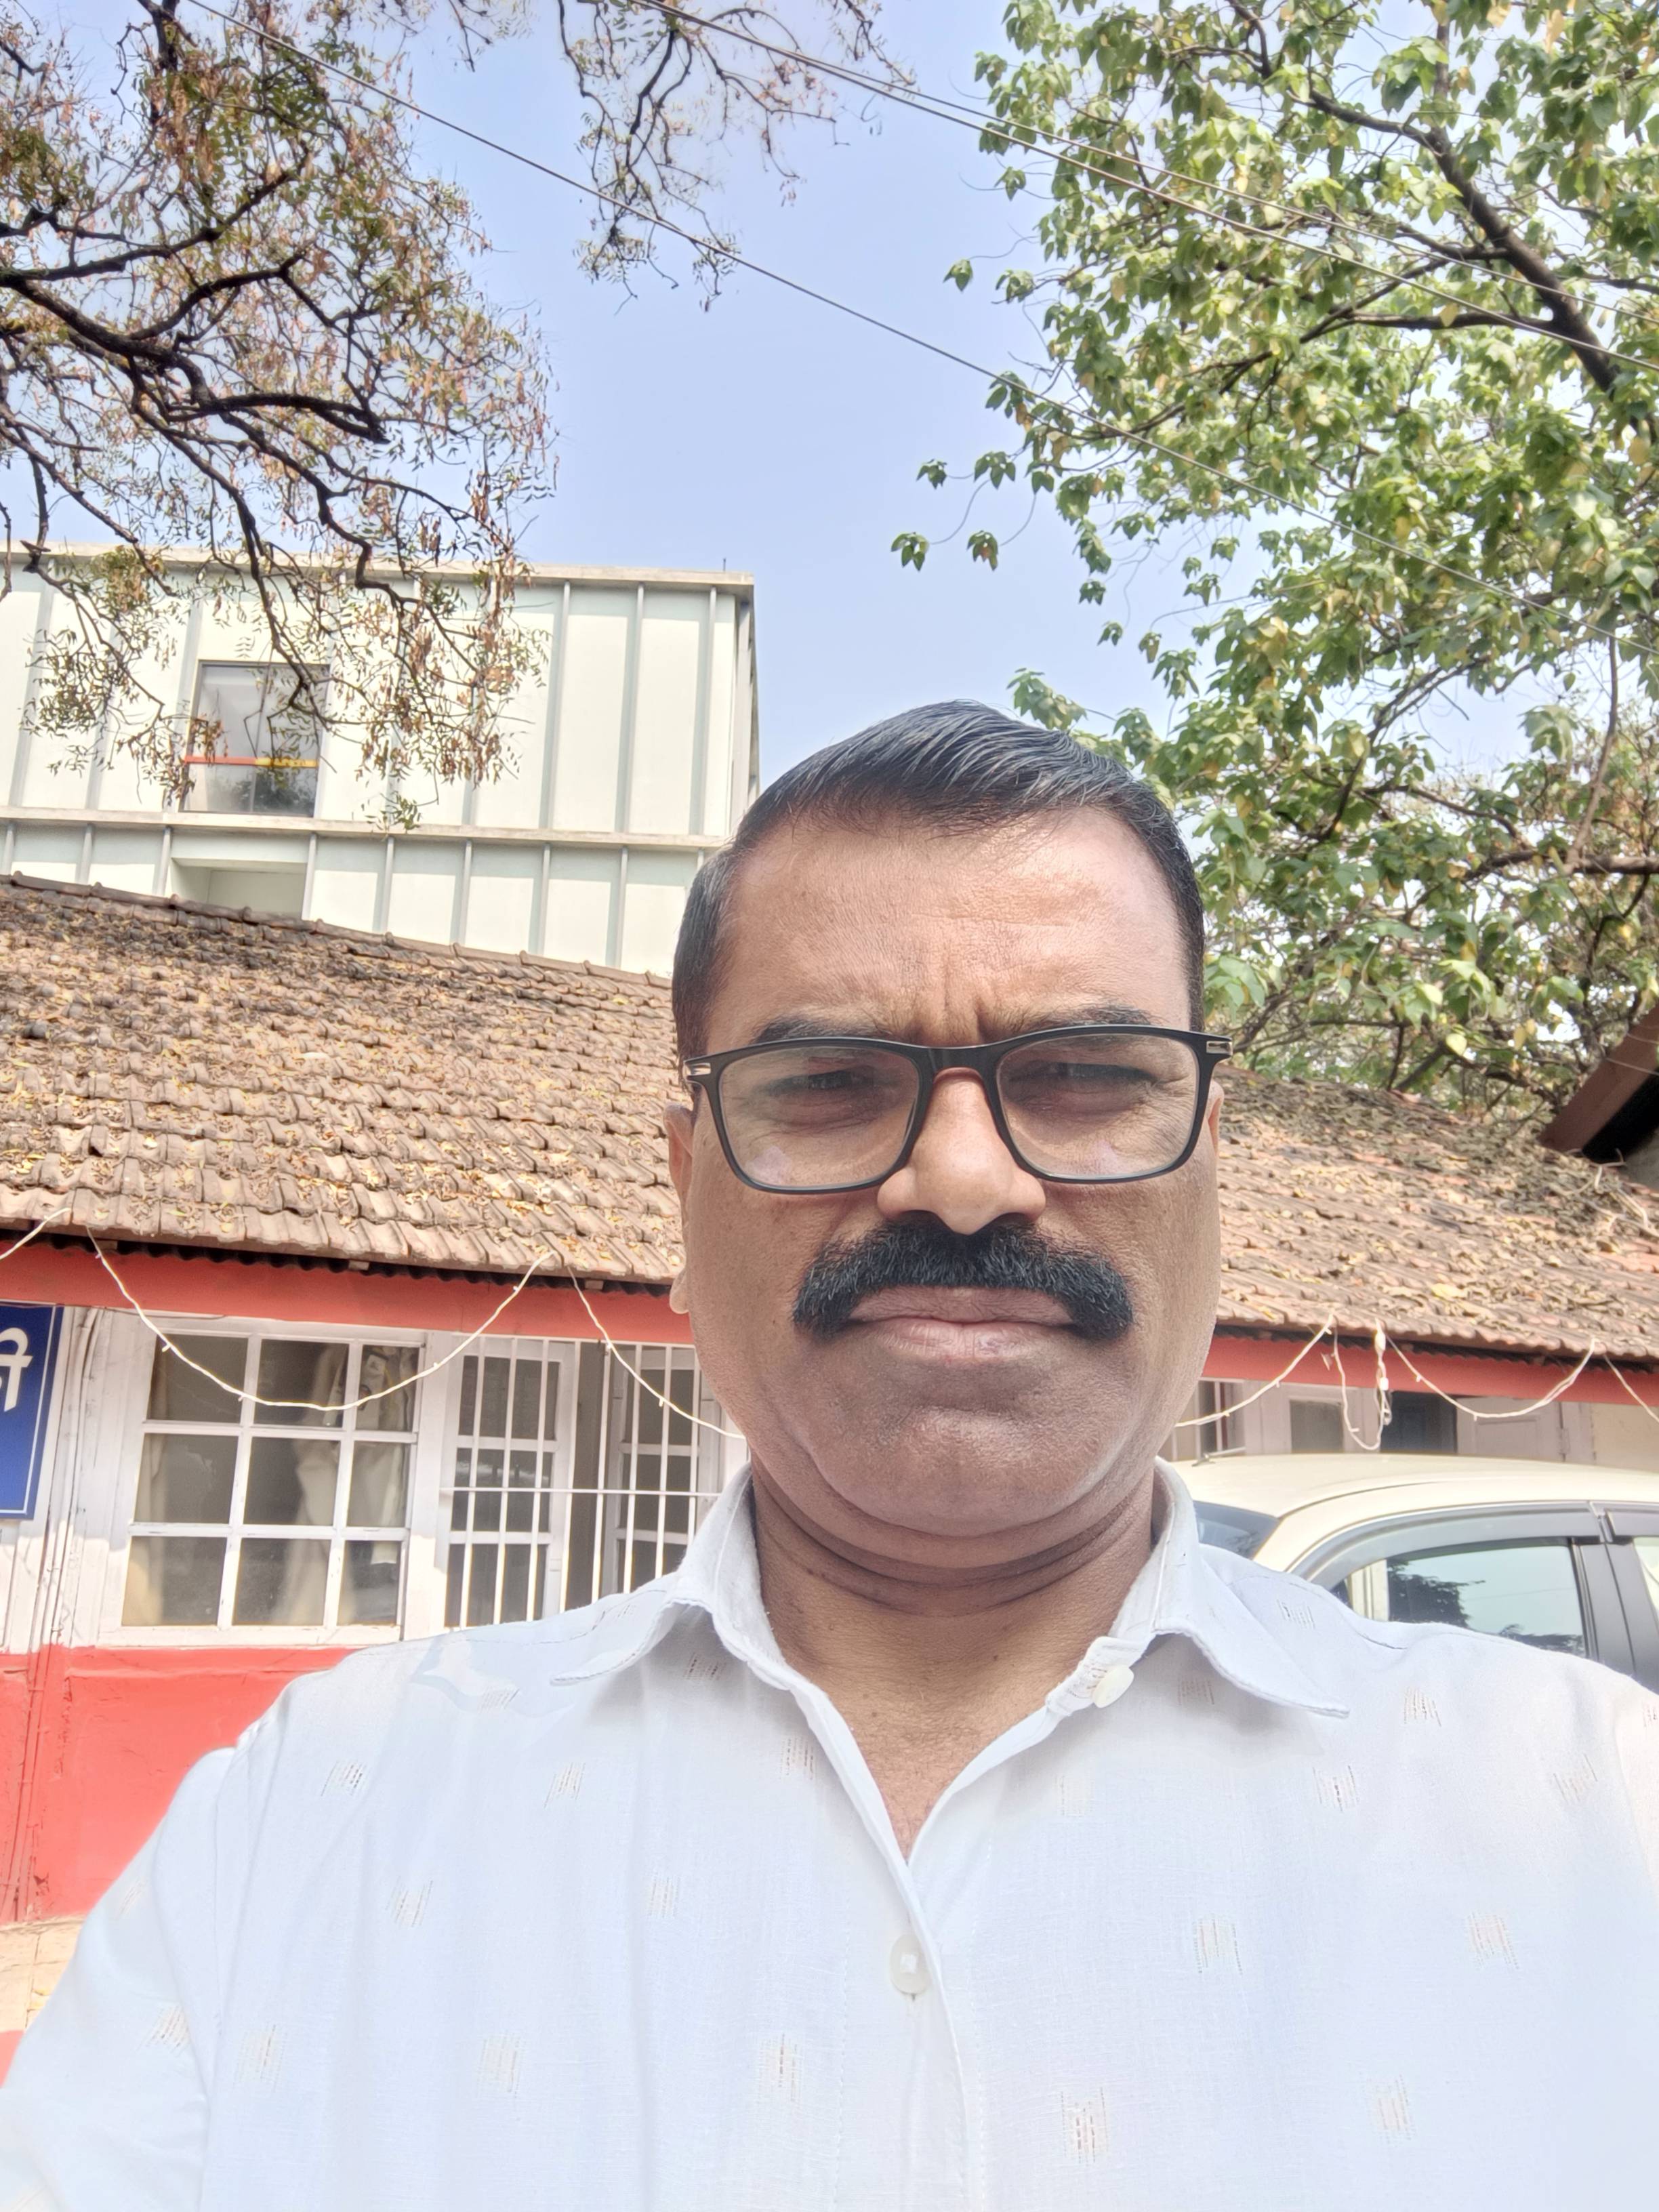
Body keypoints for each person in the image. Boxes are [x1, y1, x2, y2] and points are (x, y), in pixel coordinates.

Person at [2, 701, 1654, 2209]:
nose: (964, 1181)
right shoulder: (308, 1827)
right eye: (830, 1084)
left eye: (1085, 1078)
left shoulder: (1596, 1820)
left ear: (1208, 1164)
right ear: (685, 1189)